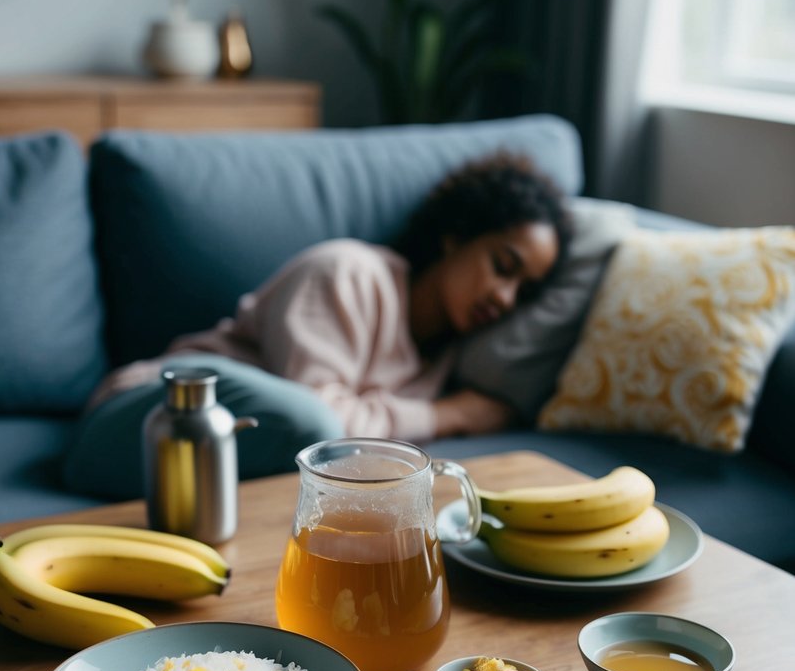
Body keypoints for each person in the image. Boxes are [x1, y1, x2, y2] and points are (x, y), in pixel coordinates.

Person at [62, 151, 572, 500]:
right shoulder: (347, 272)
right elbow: (323, 430)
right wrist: (448, 415)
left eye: (524, 291)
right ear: (456, 237)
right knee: (319, 431)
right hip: (149, 417)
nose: (505, 299)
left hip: (219, 469)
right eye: (503, 266)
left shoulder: (450, 352)